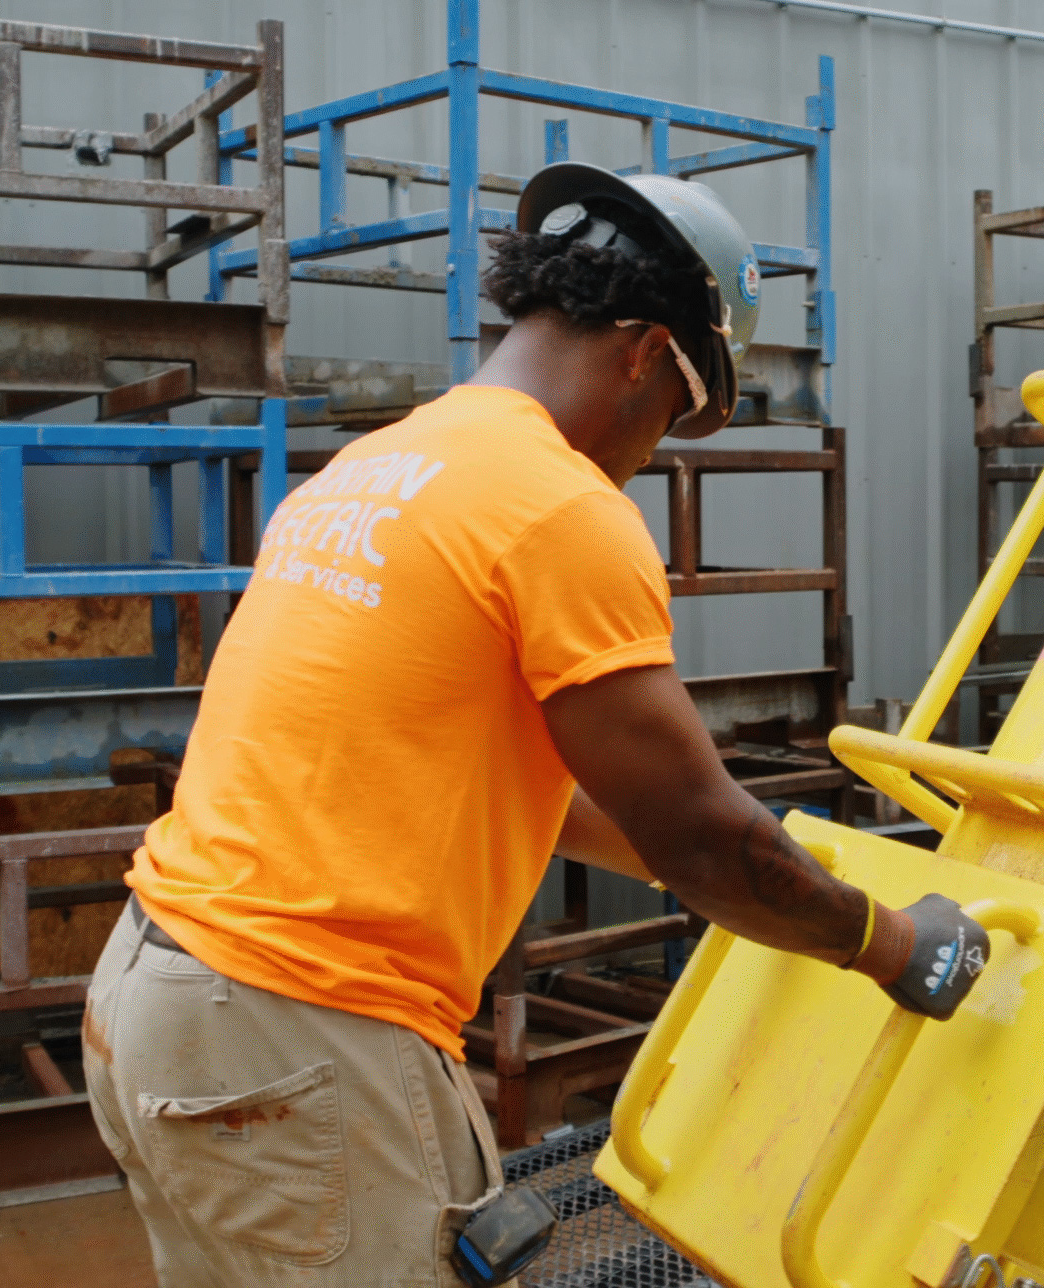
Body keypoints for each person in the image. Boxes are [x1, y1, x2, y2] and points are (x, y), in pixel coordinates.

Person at [83, 165, 991, 1286]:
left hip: (159, 998)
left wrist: (763, 880)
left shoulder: (376, 468)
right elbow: (699, 835)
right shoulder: (558, 504)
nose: (653, 451)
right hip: (296, 1030)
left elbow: (513, 789)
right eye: (675, 417)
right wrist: (895, 945)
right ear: (650, 351)